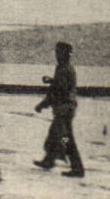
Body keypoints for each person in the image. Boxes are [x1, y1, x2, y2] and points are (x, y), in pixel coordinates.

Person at [34, 41, 85, 177]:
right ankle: (49, 160)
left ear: (65, 54)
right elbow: (60, 86)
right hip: (66, 108)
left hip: (64, 109)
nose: (56, 55)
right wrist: (52, 81)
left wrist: (43, 104)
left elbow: (59, 90)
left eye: (59, 52)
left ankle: (77, 168)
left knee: (65, 139)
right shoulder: (64, 68)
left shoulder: (64, 69)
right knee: (55, 135)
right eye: (56, 52)